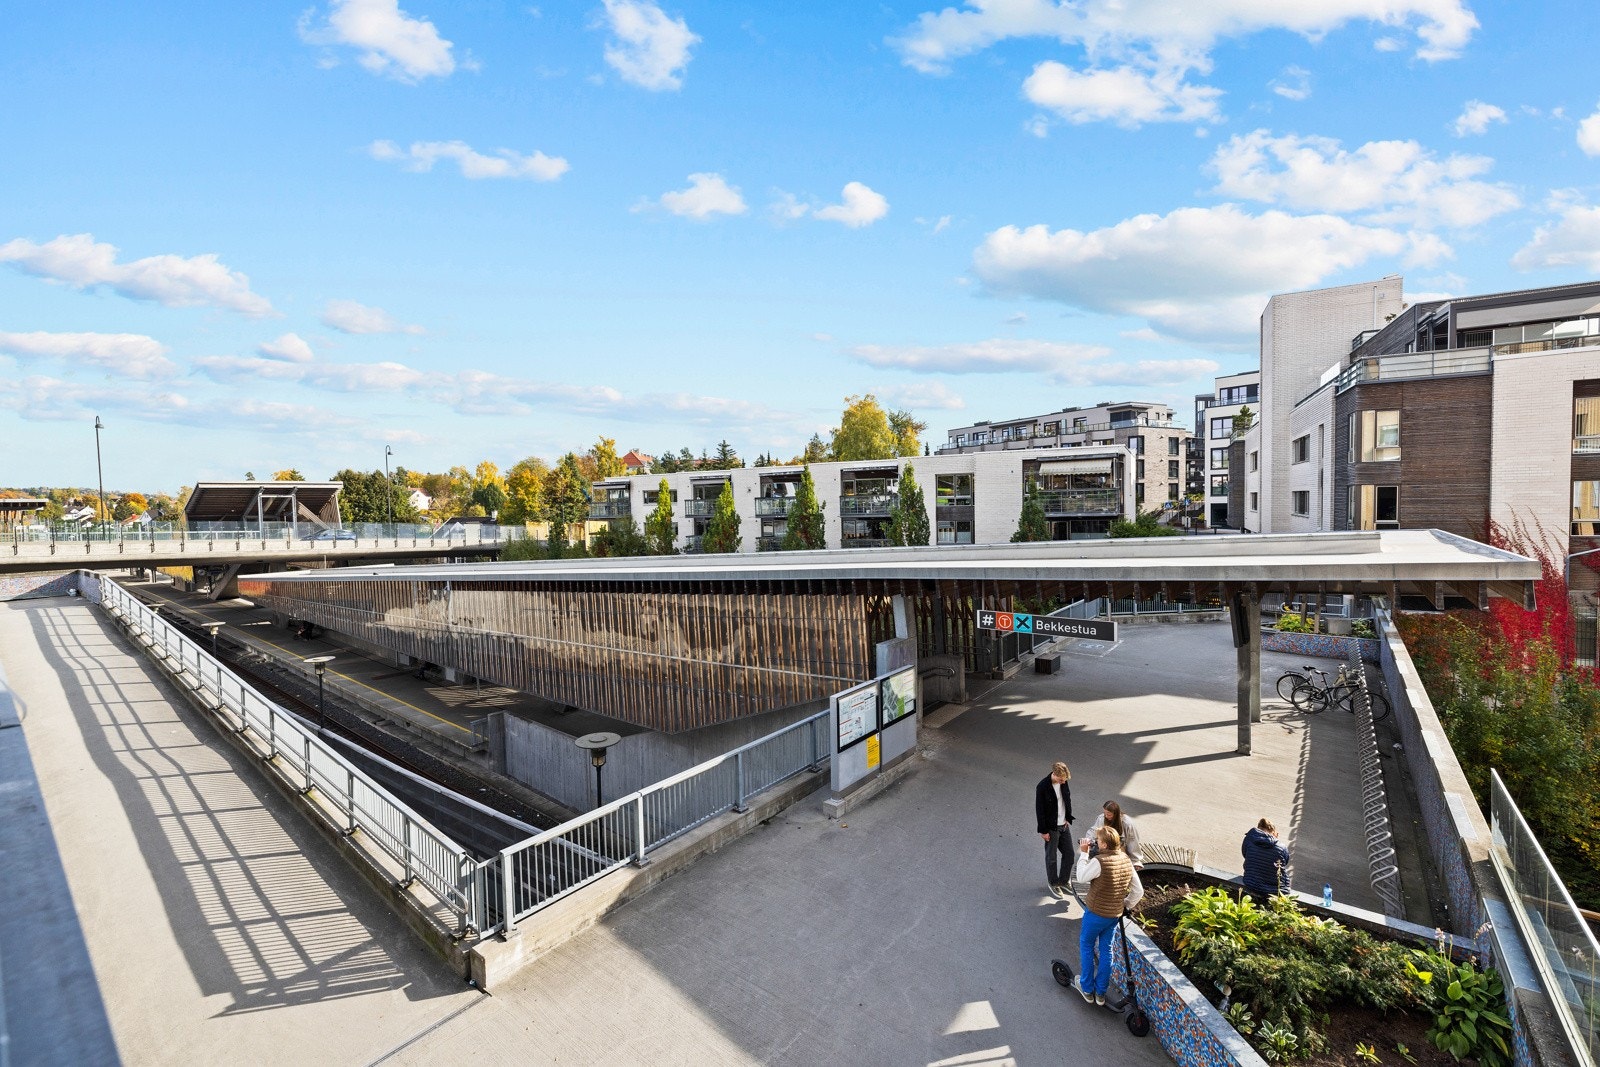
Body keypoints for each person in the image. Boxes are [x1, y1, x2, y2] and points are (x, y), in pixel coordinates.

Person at [1073, 825, 1144, 1006]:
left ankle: (1087, 988)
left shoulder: (1100, 861)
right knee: (1107, 950)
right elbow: (1138, 891)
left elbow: (1081, 877)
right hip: (1113, 916)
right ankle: (1100, 993)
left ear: (1104, 845)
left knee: (1087, 945)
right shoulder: (1126, 860)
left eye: (1098, 840)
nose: (1096, 842)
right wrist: (1125, 904)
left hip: (1095, 914)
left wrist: (1084, 853)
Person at [1034, 761, 1074, 898]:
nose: (1064, 782)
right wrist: (1043, 831)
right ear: (1055, 774)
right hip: (1051, 827)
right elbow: (1040, 810)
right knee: (1051, 857)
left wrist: (1068, 817)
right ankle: (1053, 883)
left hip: (1064, 825)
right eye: (1061, 780)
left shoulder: (1063, 782)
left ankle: (1063, 881)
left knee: (1069, 854)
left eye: (1065, 780)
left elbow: (1067, 799)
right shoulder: (1042, 787)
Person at [1241, 817, 1291, 897]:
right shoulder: (1282, 847)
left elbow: (1245, 854)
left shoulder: (1249, 839)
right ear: (1274, 833)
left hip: (1251, 883)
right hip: (1276, 890)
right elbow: (1285, 861)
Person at [1090, 800, 1143, 867]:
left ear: (1116, 814)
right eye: (1104, 813)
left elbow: (1133, 841)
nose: (1106, 816)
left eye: (1109, 814)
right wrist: (1089, 840)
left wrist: (1135, 860)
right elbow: (1094, 830)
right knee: (1092, 852)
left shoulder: (1127, 823)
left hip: (1120, 848)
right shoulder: (1102, 818)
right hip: (1105, 846)